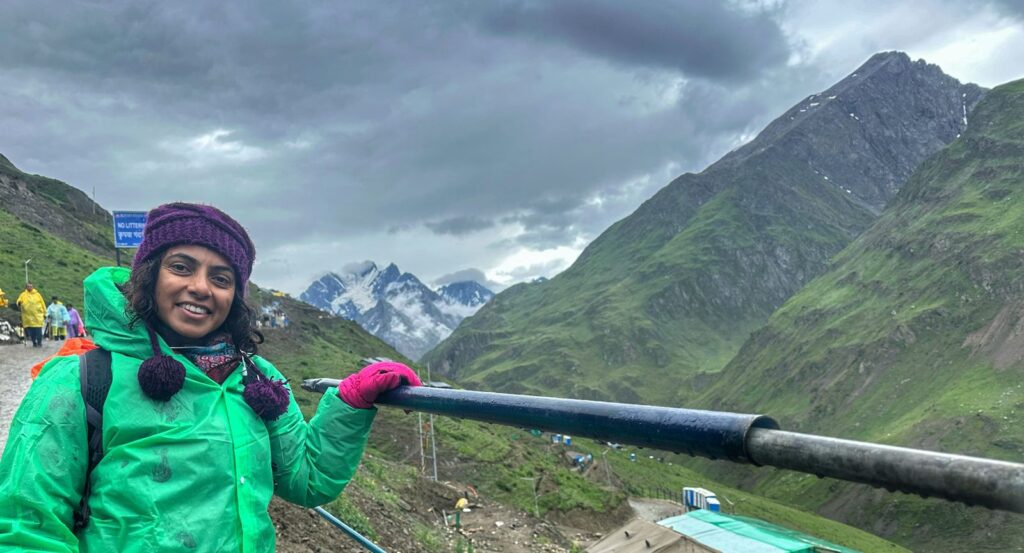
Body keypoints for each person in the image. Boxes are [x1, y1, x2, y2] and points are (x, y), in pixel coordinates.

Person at [0, 202, 422, 552]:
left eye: (221, 278)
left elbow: (306, 479)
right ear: (148, 276)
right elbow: (27, 528)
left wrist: (349, 403)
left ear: (235, 296)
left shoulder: (258, 378)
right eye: (181, 267)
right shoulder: (81, 380)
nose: (201, 287)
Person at [15, 282, 46, 347]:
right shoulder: (23, 295)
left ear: (33, 287)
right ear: (26, 287)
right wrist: (19, 303)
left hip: (37, 316)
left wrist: (45, 313)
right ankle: (34, 342)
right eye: (28, 286)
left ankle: (39, 342)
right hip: (28, 317)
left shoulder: (37, 294)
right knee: (32, 331)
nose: (30, 287)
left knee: (38, 330)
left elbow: (43, 304)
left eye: (31, 286)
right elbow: (18, 301)